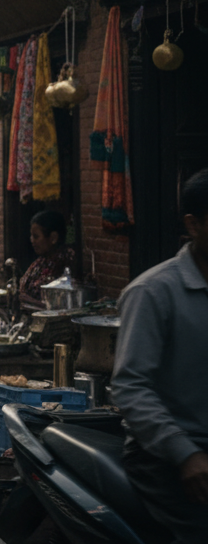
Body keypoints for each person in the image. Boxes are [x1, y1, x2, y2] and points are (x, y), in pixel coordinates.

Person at [112, 168, 208, 542]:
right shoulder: (153, 293)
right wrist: (185, 454)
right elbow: (130, 387)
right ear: (194, 224)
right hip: (166, 457)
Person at [19, 210, 77, 310]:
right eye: (31, 236)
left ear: (53, 238)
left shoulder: (64, 263)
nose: (32, 240)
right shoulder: (41, 262)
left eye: (36, 236)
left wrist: (27, 300)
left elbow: (55, 306)